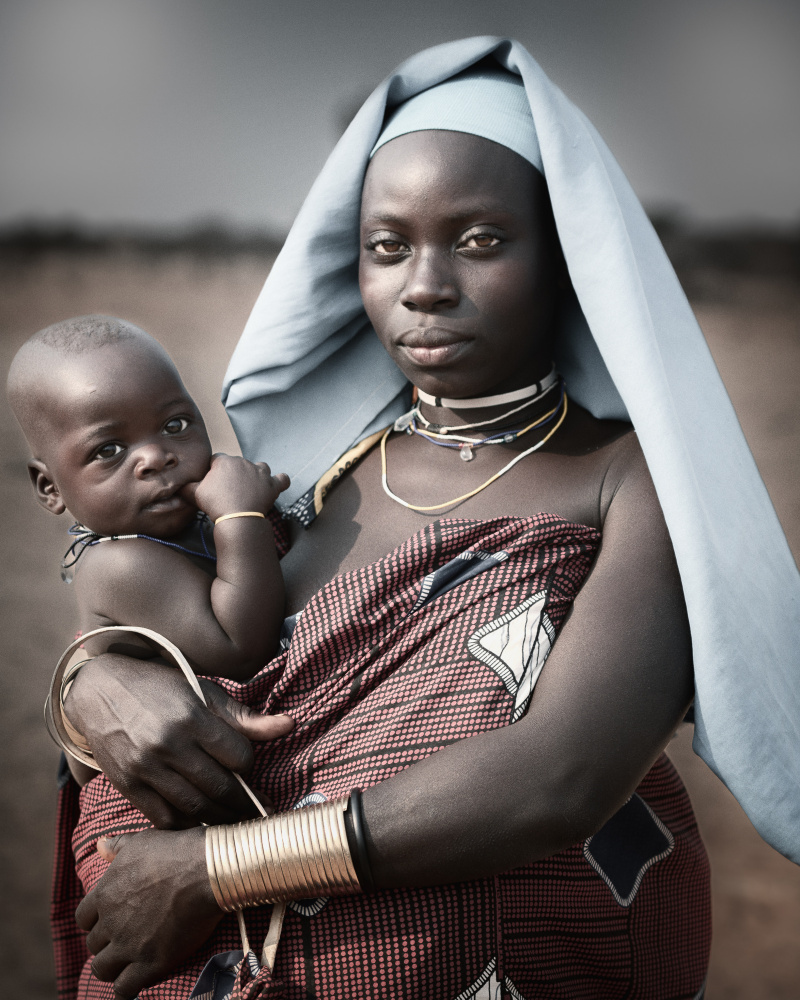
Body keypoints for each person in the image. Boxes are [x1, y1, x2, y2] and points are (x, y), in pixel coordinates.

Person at [51, 38, 800, 1000]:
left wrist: (212, 871)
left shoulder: (630, 483)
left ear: (565, 257)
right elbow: (172, 630)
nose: (424, 286)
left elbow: (560, 778)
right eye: (388, 246)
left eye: (481, 240)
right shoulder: (311, 473)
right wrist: (90, 682)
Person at [6, 314, 293, 702]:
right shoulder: (119, 566)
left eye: (175, 425)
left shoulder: (196, 520)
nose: (156, 457)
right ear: (50, 487)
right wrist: (240, 517)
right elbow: (243, 649)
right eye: (108, 450)